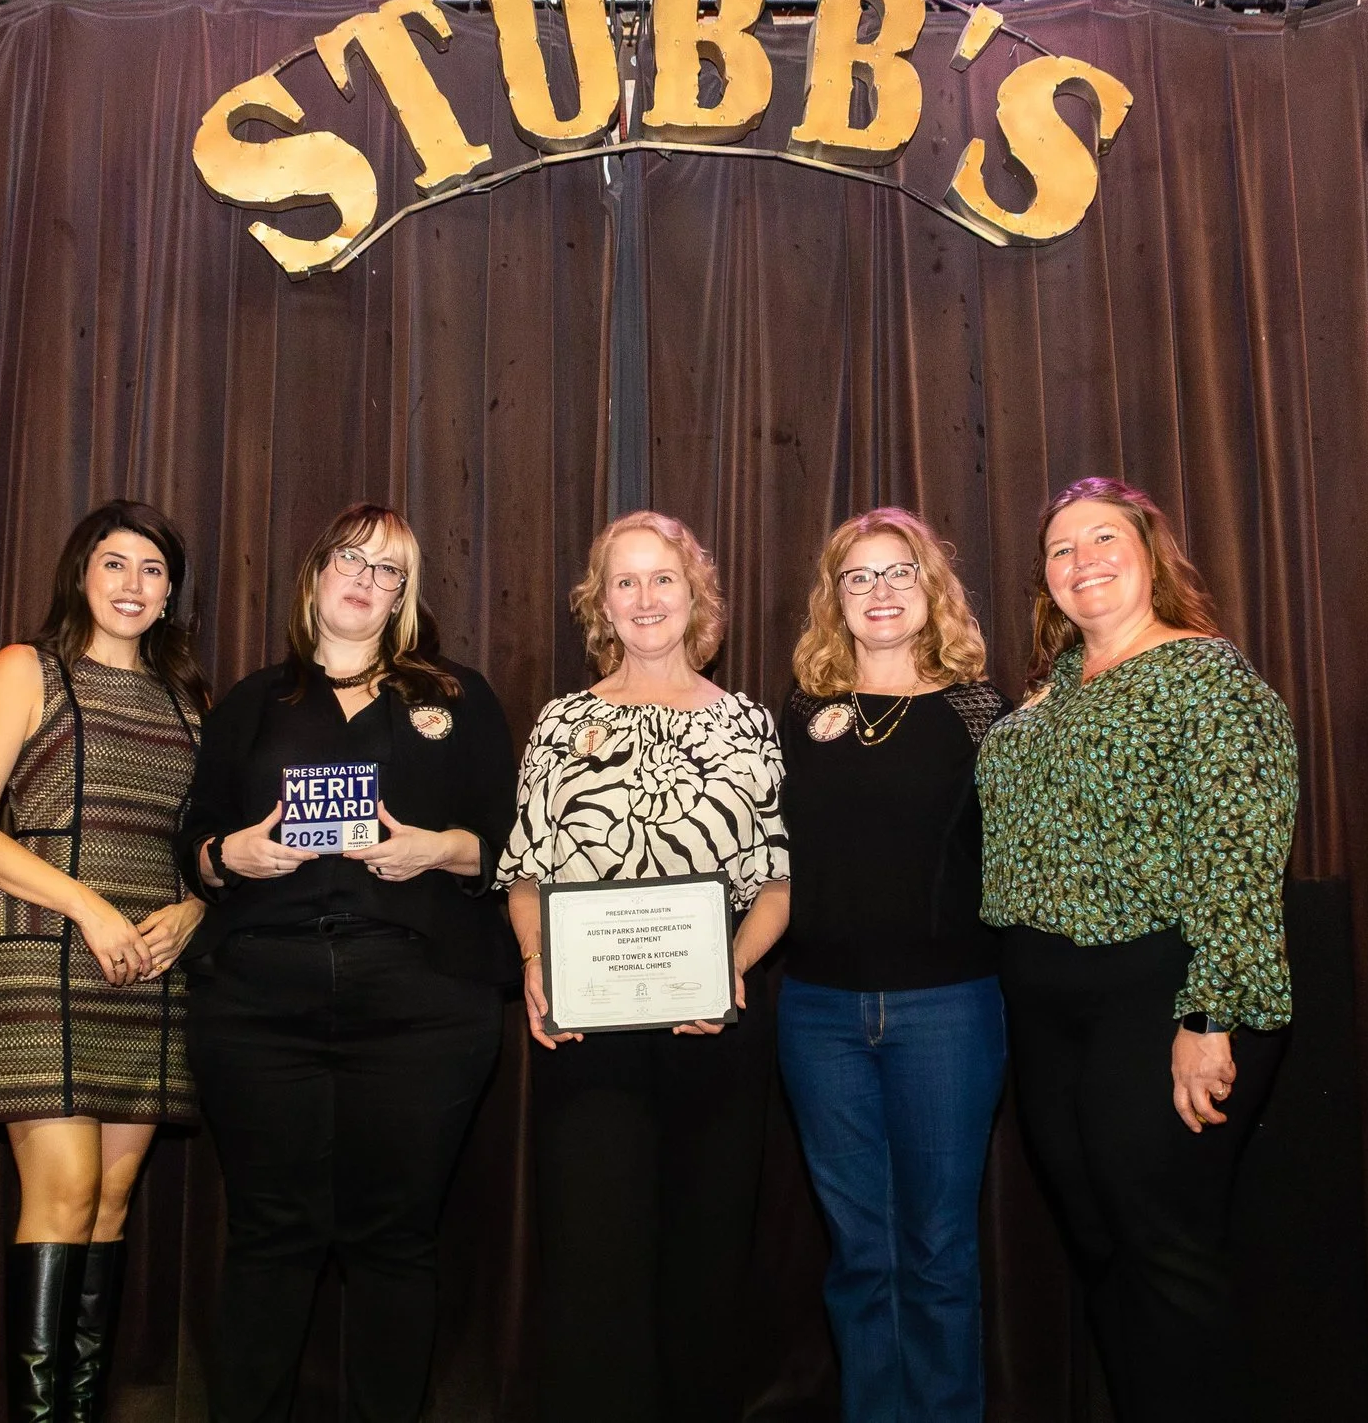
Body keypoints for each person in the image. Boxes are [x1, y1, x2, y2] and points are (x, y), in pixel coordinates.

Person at [174, 503, 517, 1423]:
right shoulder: (249, 701)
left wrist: (437, 849)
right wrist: (226, 857)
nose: (367, 580)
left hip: (423, 1003)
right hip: (258, 1003)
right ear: (316, 572)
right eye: (351, 560)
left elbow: (515, 846)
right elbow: (193, 842)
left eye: (391, 571)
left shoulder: (458, 695)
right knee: (268, 1237)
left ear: (406, 597)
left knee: (395, 1240)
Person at [977, 476, 1298, 1423]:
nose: (1084, 560)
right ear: (1045, 580)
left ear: (1151, 554)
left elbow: (1242, 855)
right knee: (1098, 1240)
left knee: (1162, 1243)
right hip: (1045, 999)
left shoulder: (1207, 674)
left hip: (1160, 987)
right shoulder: (1043, 698)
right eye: (1062, 549)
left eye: (1104, 538)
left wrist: (1210, 1016)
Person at [498, 510, 790, 1423]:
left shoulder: (748, 721)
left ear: (695, 592)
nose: (645, 598)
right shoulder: (561, 721)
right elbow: (524, 872)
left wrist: (730, 969)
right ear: (601, 603)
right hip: (587, 1034)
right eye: (624, 581)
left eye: (662, 577)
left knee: (705, 1263)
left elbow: (776, 885)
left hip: (714, 1030)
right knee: (595, 1264)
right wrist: (537, 965)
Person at [0, 500, 210, 1423]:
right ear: (81, 575)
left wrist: (193, 911)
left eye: (152, 569)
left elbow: (204, 847)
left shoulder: (190, 701)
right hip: (46, 950)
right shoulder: (29, 668)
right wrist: (90, 904)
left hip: (150, 968)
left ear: (172, 592)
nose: (133, 584)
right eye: (114, 564)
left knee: (113, 1202)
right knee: (65, 1192)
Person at [775, 508, 1007, 1423]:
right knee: (860, 1255)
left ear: (932, 589)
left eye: (898, 571)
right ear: (834, 598)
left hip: (950, 1011)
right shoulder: (797, 712)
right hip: (818, 1014)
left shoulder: (982, 709)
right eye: (858, 575)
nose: (879, 590)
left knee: (939, 1252)